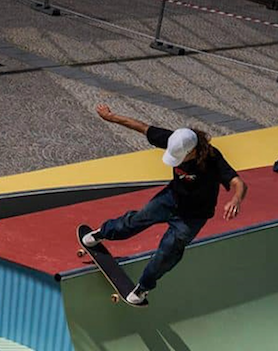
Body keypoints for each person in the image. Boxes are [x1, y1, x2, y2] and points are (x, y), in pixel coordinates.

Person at [82, 104, 248, 304]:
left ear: (193, 151)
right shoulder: (175, 139)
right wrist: (111, 117)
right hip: (170, 199)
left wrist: (235, 199)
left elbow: (238, 183)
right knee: (136, 220)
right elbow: (142, 127)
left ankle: (143, 288)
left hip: (192, 217)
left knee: (167, 252)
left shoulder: (213, 159)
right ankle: (103, 232)